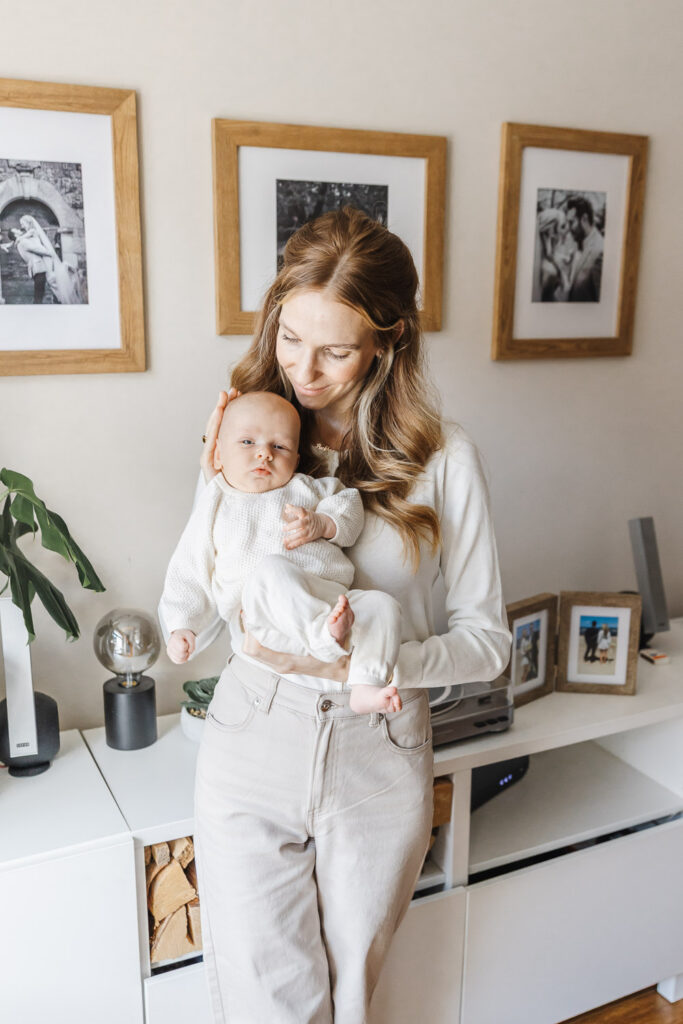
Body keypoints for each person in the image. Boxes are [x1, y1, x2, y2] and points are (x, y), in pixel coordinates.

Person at [162, 206, 510, 1024]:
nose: (304, 370)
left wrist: (374, 666)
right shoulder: (246, 429)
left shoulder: (443, 458)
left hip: (376, 745)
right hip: (254, 728)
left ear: (387, 341)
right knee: (268, 1003)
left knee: (351, 998)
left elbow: (487, 643)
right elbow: (209, 572)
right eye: (289, 338)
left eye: (335, 351)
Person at [160, 390, 403, 714]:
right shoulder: (216, 501)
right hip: (265, 616)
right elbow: (190, 566)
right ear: (217, 455)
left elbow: (349, 507)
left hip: (330, 599)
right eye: (247, 442)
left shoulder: (307, 487)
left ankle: (366, 684)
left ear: (296, 461)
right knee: (272, 568)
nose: (264, 454)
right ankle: (324, 638)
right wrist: (182, 626)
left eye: (279, 446)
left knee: (383, 605)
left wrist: (323, 524)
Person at [566, 195, 604, 302]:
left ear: (584, 219)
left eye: (571, 222)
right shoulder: (578, 243)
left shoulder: (600, 251)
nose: (568, 228)